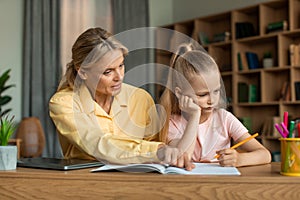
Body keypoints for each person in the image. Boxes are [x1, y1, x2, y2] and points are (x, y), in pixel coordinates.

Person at [49, 27, 194, 170]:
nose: (119, 77)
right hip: (85, 181)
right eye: (108, 71)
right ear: (83, 72)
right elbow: (97, 143)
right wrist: (156, 151)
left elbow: (160, 145)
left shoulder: (141, 98)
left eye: (121, 65)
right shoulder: (64, 103)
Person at [159, 43, 272, 167]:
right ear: (180, 93)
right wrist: (194, 116)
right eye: (202, 95)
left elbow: (265, 154)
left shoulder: (224, 119)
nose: (212, 100)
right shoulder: (172, 123)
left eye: (216, 91)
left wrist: (239, 159)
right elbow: (182, 158)